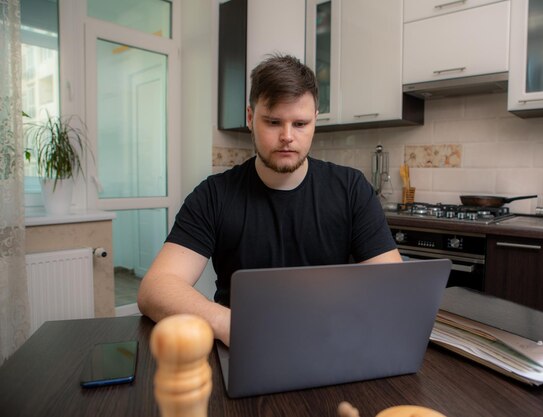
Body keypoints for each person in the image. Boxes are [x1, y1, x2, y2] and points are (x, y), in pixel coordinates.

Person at [137, 54, 402, 346]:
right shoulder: (213, 195)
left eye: (300, 123)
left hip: (330, 340)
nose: (287, 136)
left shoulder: (351, 189)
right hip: (242, 343)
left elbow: (389, 284)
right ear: (251, 118)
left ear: (315, 120)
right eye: (273, 122)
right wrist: (230, 324)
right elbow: (155, 288)